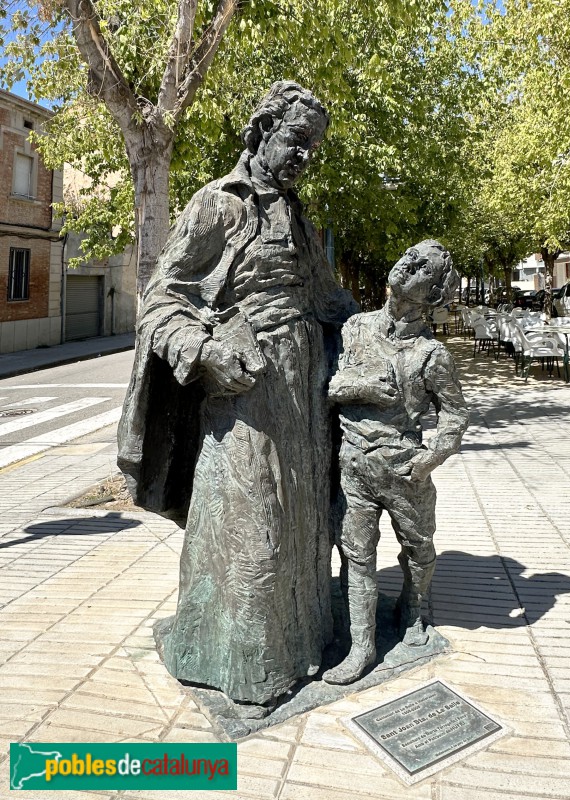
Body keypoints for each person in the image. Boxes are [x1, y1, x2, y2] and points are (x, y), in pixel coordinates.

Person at [118, 82, 357, 710]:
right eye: (298, 143)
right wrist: (204, 352)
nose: (306, 158)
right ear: (262, 130)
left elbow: (332, 303)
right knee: (255, 534)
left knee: (303, 529)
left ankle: (303, 644)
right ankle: (243, 666)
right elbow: (160, 302)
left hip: (305, 394)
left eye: (314, 149)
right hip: (245, 395)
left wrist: (385, 334)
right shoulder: (216, 206)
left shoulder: (301, 217)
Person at [322, 240, 469, 685]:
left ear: (434, 294)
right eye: (410, 255)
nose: (409, 263)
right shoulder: (356, 328)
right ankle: (362, 647)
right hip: (355, 463)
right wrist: (362, 386)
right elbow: (330, 386)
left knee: (419, 550)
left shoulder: (432, 354)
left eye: (424, 265)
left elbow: (455, 414)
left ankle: (413, 606)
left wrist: (429, 460)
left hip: (406, 471)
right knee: (356, 556)